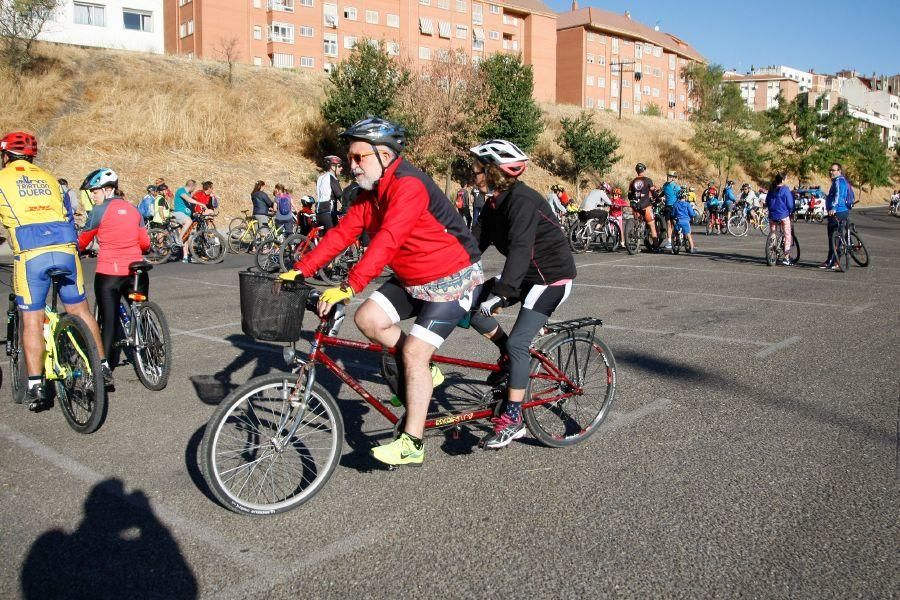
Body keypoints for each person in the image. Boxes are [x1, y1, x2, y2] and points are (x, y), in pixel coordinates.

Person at [279, 117, 484, 467]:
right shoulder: (367, 195)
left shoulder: (409, 186)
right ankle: (425, 370)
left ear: (386, 156)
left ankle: (412, 443)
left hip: (453, 277)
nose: (352, 165)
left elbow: (389, 239)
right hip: (413, 278)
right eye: (351, 158)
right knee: (368, 318)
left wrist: (350, 285)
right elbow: (342, 235)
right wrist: (302, 268)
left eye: (360, 157)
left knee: (414, 355)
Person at [468, 139, 576, 449]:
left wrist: (502, 293)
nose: (472, 173)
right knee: (470, 307)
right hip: (526, 273)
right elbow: (472, 244)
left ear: (492, 171)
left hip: (551, 278)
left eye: (477, 168)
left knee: (519, 342)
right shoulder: (492, 203)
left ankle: (513, 420)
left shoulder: (523, 201)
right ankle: (508, 356)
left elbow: (519, 250)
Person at [0, 132, 110, 409]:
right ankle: (103, 365)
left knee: (33, 318)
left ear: (4, 156)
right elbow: (68, 214)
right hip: (66, 249)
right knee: (81, 311)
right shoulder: (51, 180)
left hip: (31, 253)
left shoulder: (2, 179)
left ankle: (36, 383)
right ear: (32, 157)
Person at [76, 169, 150, 367]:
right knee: (141, 312)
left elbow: (83, 240)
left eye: (95, 191)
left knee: (108, 322)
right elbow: (145, 243)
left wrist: (78, 249)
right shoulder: (134, 209)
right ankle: (152, 354)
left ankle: (106, 368)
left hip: (110, 272)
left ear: (108, 190)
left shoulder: (98, 212)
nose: (93, 195)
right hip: (137, 271)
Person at [822, 163, 853, 270]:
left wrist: (833, 208)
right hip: (844, 211)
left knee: (833, 237)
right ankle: (834, 260)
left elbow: (838, 196)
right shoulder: (843, 181)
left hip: (837, 212)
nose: (831, 172)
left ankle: (833, 261)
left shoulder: (838, 181)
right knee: (838, 236)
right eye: (830, 170)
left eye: (833, 170)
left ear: (839, 171)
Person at [765, 173, 794, 266]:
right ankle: (786, 257)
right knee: (787, 235)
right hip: (783, 215)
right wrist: (791, 211)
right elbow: (790, 204)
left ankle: (771, 250)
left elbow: (767, 201)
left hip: (772, 215)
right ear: (783, 180)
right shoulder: (785, 189)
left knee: (773, 232)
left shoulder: (771, 189)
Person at [627, 162, 658, 249]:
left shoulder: (632, 182)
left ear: (636, 171)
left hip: (635, 206)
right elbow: (653, 192)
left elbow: (629, 196)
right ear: (643, 170)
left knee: (637, 221)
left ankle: (635, 236)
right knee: (652, 225)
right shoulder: (648, 180)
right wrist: (658, 199)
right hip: (646, 205)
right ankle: (656, 247)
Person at [315, 156, 343, 232]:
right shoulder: (332, 177)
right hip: (328, 213)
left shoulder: (320, 178)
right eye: (339, 166)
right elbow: (340, 196)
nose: (341, 168)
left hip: (319, 212)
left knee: (323, 240)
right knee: (335, 237)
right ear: (332, 167)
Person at [172, 180, 199, 255]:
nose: (194, 189)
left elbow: (189, 206)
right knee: (188, 221)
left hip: (185, 215)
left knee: (188, 235)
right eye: (194, 187)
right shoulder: (181, 190)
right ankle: (179, 238)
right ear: (192, 186)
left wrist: (194, 213)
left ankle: (186, 255)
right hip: (179, 214)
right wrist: (200, 203)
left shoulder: (189, 194)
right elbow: (188, 199)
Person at [671, 186, 698, 253]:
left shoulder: (675, 204)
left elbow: (673, 214)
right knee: (688, 235)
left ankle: (674, 245)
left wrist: (673, 217)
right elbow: (692, 213)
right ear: (685, 197)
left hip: (678, 221)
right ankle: (692, 248)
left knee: (674, 233)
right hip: (685, 221)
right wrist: (693, 215)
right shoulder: (687, 204)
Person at [660, 170, 679, 249]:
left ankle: (678, 238)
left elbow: (680, 196)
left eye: (671, 176)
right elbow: (662, 193)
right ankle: (669, 242)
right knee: (668, 223)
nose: (669, 178)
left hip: (674, 206)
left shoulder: (676, 187)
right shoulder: (665, 185)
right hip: (667, 206)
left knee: (675, 223)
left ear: (674, 178)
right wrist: (659, 197)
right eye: (668, 176)